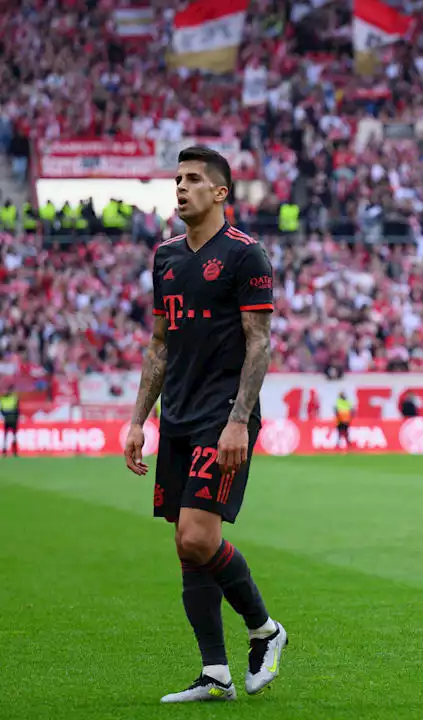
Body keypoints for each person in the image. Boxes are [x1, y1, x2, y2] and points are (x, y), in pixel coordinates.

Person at [123, 146, 288, 702]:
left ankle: (265, 630)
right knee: (186, 547)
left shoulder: (246, 255)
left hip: (224, 416)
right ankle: (214, 672)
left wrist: (239, 420)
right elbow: (159, 345)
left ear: (220, 193)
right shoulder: (165, 257)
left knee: (199, 535)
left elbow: (259, 342)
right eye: (178, 179)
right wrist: (136, 420)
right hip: (179, 416)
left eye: (194, 179)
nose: (181, 187)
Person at [1, 385, 18, 456]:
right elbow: (17, 410)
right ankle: (14, 451)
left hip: (7, 419)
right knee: (13, 435)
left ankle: (5, 451)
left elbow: (2, 410)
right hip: (12, 419)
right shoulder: (14, 398)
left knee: (7, 435)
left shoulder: (3, 399)